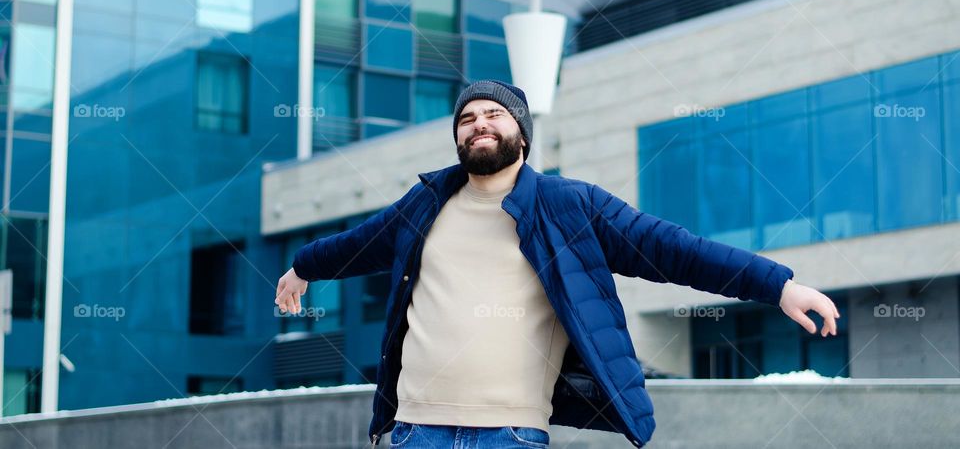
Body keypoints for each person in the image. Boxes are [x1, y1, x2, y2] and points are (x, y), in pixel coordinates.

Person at [275, 79, 840, 448]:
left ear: (521, 133)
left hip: (511, 433)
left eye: (494, 114)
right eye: (467, 118)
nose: (479, 124)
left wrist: (779, 285)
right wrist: (301, 269)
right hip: (416, 428)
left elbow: (674, 249)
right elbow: (353, 245)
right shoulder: (424, 204)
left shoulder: (569, 205)